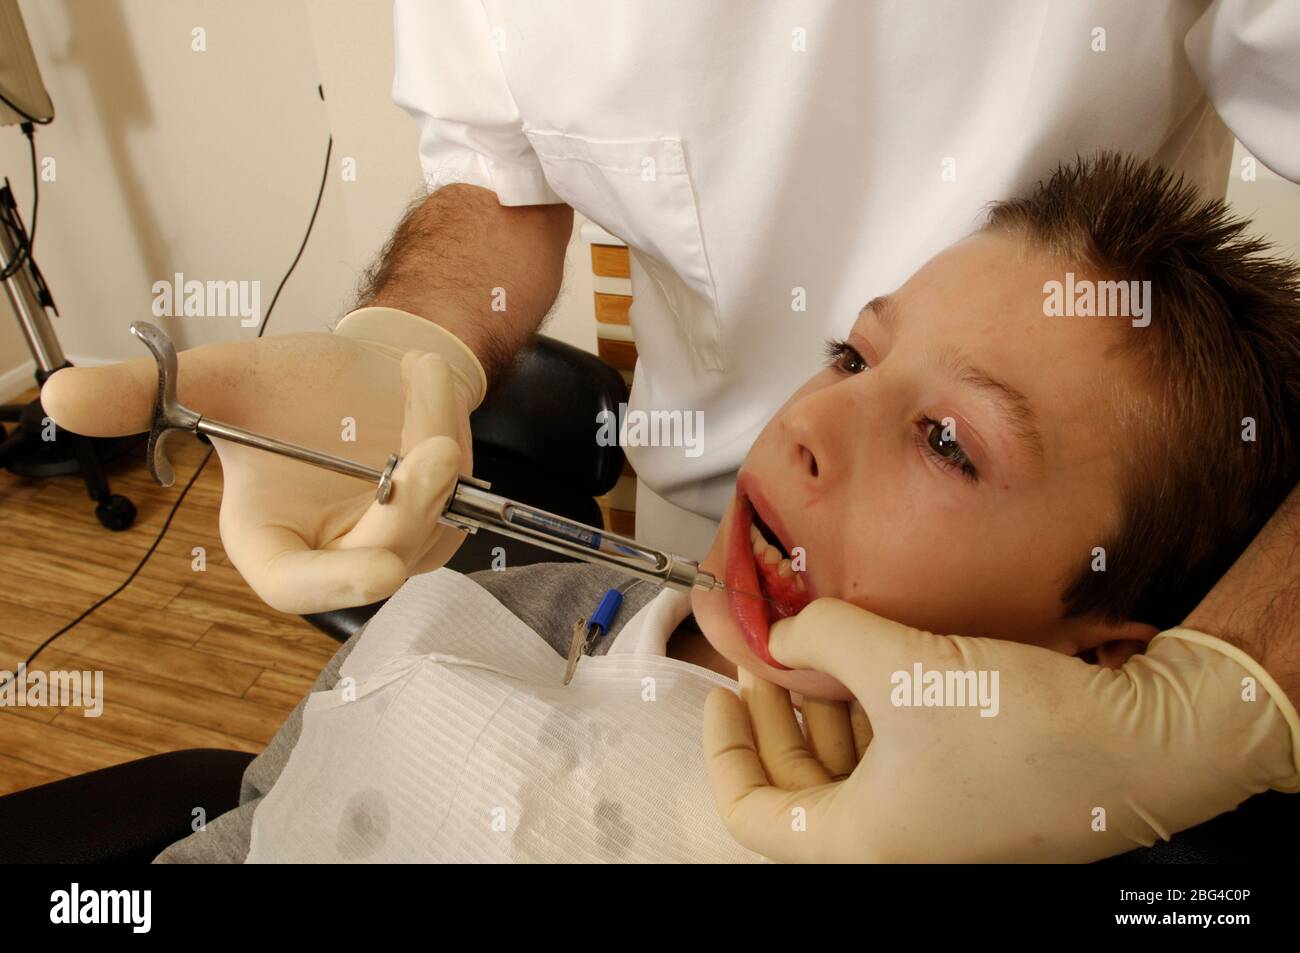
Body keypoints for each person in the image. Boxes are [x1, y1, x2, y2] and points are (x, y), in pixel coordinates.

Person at [39, 2, 1300, 862]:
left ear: (1103, 656)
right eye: (848, 355)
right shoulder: (481, 615)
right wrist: (406, 337)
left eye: (949, 441)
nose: (807, 421)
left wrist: (1234, 694)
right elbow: (499, 165)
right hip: (688, 514)